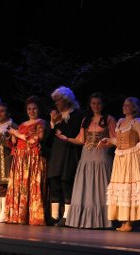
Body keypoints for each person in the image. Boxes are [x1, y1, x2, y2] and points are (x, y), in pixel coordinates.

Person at [57, 92, 117, 228]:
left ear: (103, 104)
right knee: (87, 187)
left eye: (99, 103)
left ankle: (103, 220)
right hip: (87, 157)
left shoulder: (109, 119)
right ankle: (85, 220)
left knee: (101, 187)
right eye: (93, 103)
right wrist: (66, 138)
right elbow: (81, 140)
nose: (96, 106)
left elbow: (115, 140)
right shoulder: (86, 119)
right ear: (90, 105)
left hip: (101, 156)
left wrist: (105, 143)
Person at [100, 97, 140, 232]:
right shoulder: (120, 121)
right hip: (120, 158)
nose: (125, 107)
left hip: (132, 158)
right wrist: (109, 140)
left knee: (130, 188)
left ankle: (130, 222)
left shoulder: (138, 122)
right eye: (124, 105)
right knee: (122, 188)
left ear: (135, 108)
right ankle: (125, 221)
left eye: (129, 105)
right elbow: (119, 141)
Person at [5, 96, 47, 225]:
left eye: (34, 108)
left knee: (33, 186)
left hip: (33, 158)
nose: (31, 111)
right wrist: (12, 135)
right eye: (29, 109)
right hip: (20, 158)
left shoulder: (41, 123)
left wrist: (17, 134)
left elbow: (36, 139)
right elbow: (15, 143)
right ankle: (19, 216)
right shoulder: (22, 124)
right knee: (20, 187)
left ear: (38, 110)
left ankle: (34, 217)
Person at [48, 86, 83, 226]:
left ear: (66, 100)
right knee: (54, 181)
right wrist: (52, 123)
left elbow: (72, 133)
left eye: (58, 100)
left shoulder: (77, 115)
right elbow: (48, 139)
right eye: (55, 101)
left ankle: (67, 216)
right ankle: (54, 215)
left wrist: (58, 123)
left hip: (70, 152)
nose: (56, 103)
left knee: (66, 182)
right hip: (57, 152)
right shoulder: (56, 116)